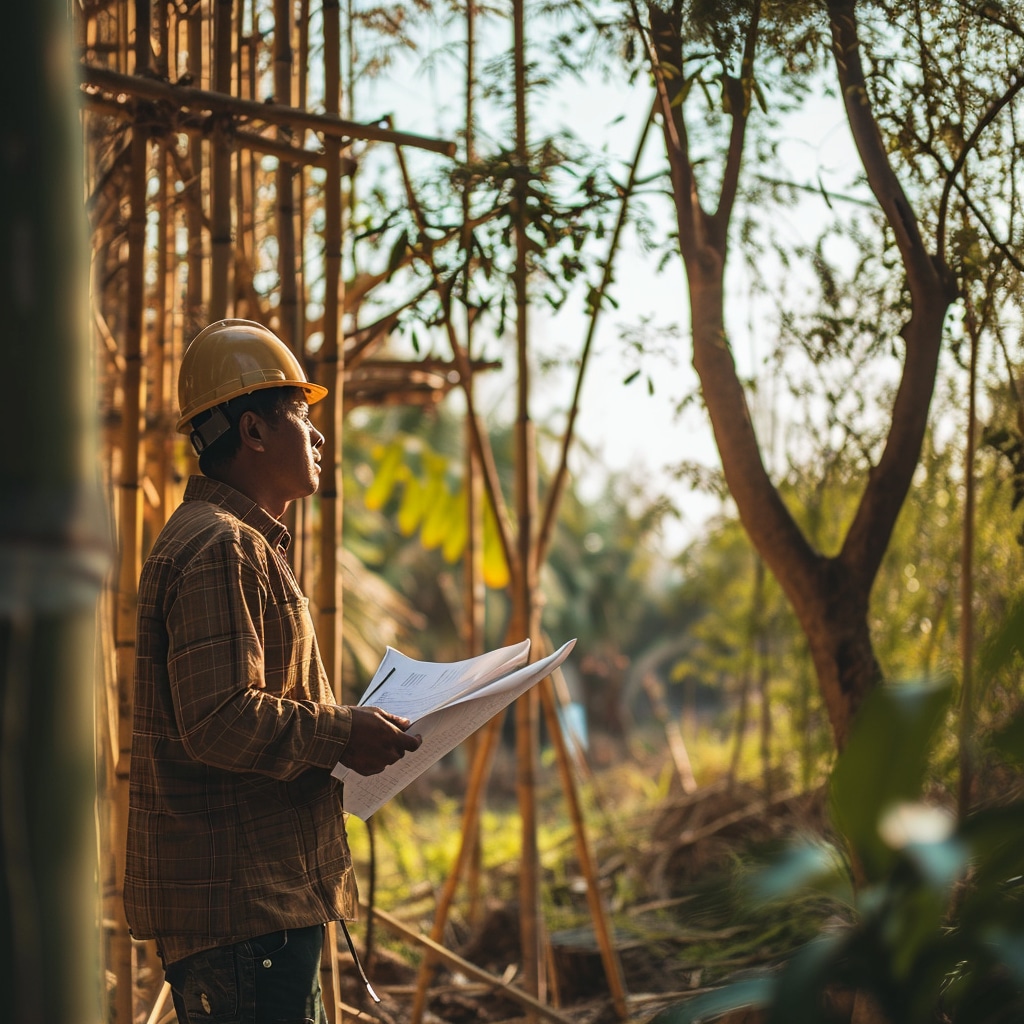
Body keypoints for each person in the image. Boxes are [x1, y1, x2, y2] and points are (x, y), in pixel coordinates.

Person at [123, 318, 422, 1024]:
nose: (319, 437)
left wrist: (344, 732)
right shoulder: (221, 547)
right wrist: (342, 733)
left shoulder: (227, 542)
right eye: (302, 416)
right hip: (244, 911)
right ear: (253, 432)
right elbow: (221, 719)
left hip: (256, 906)